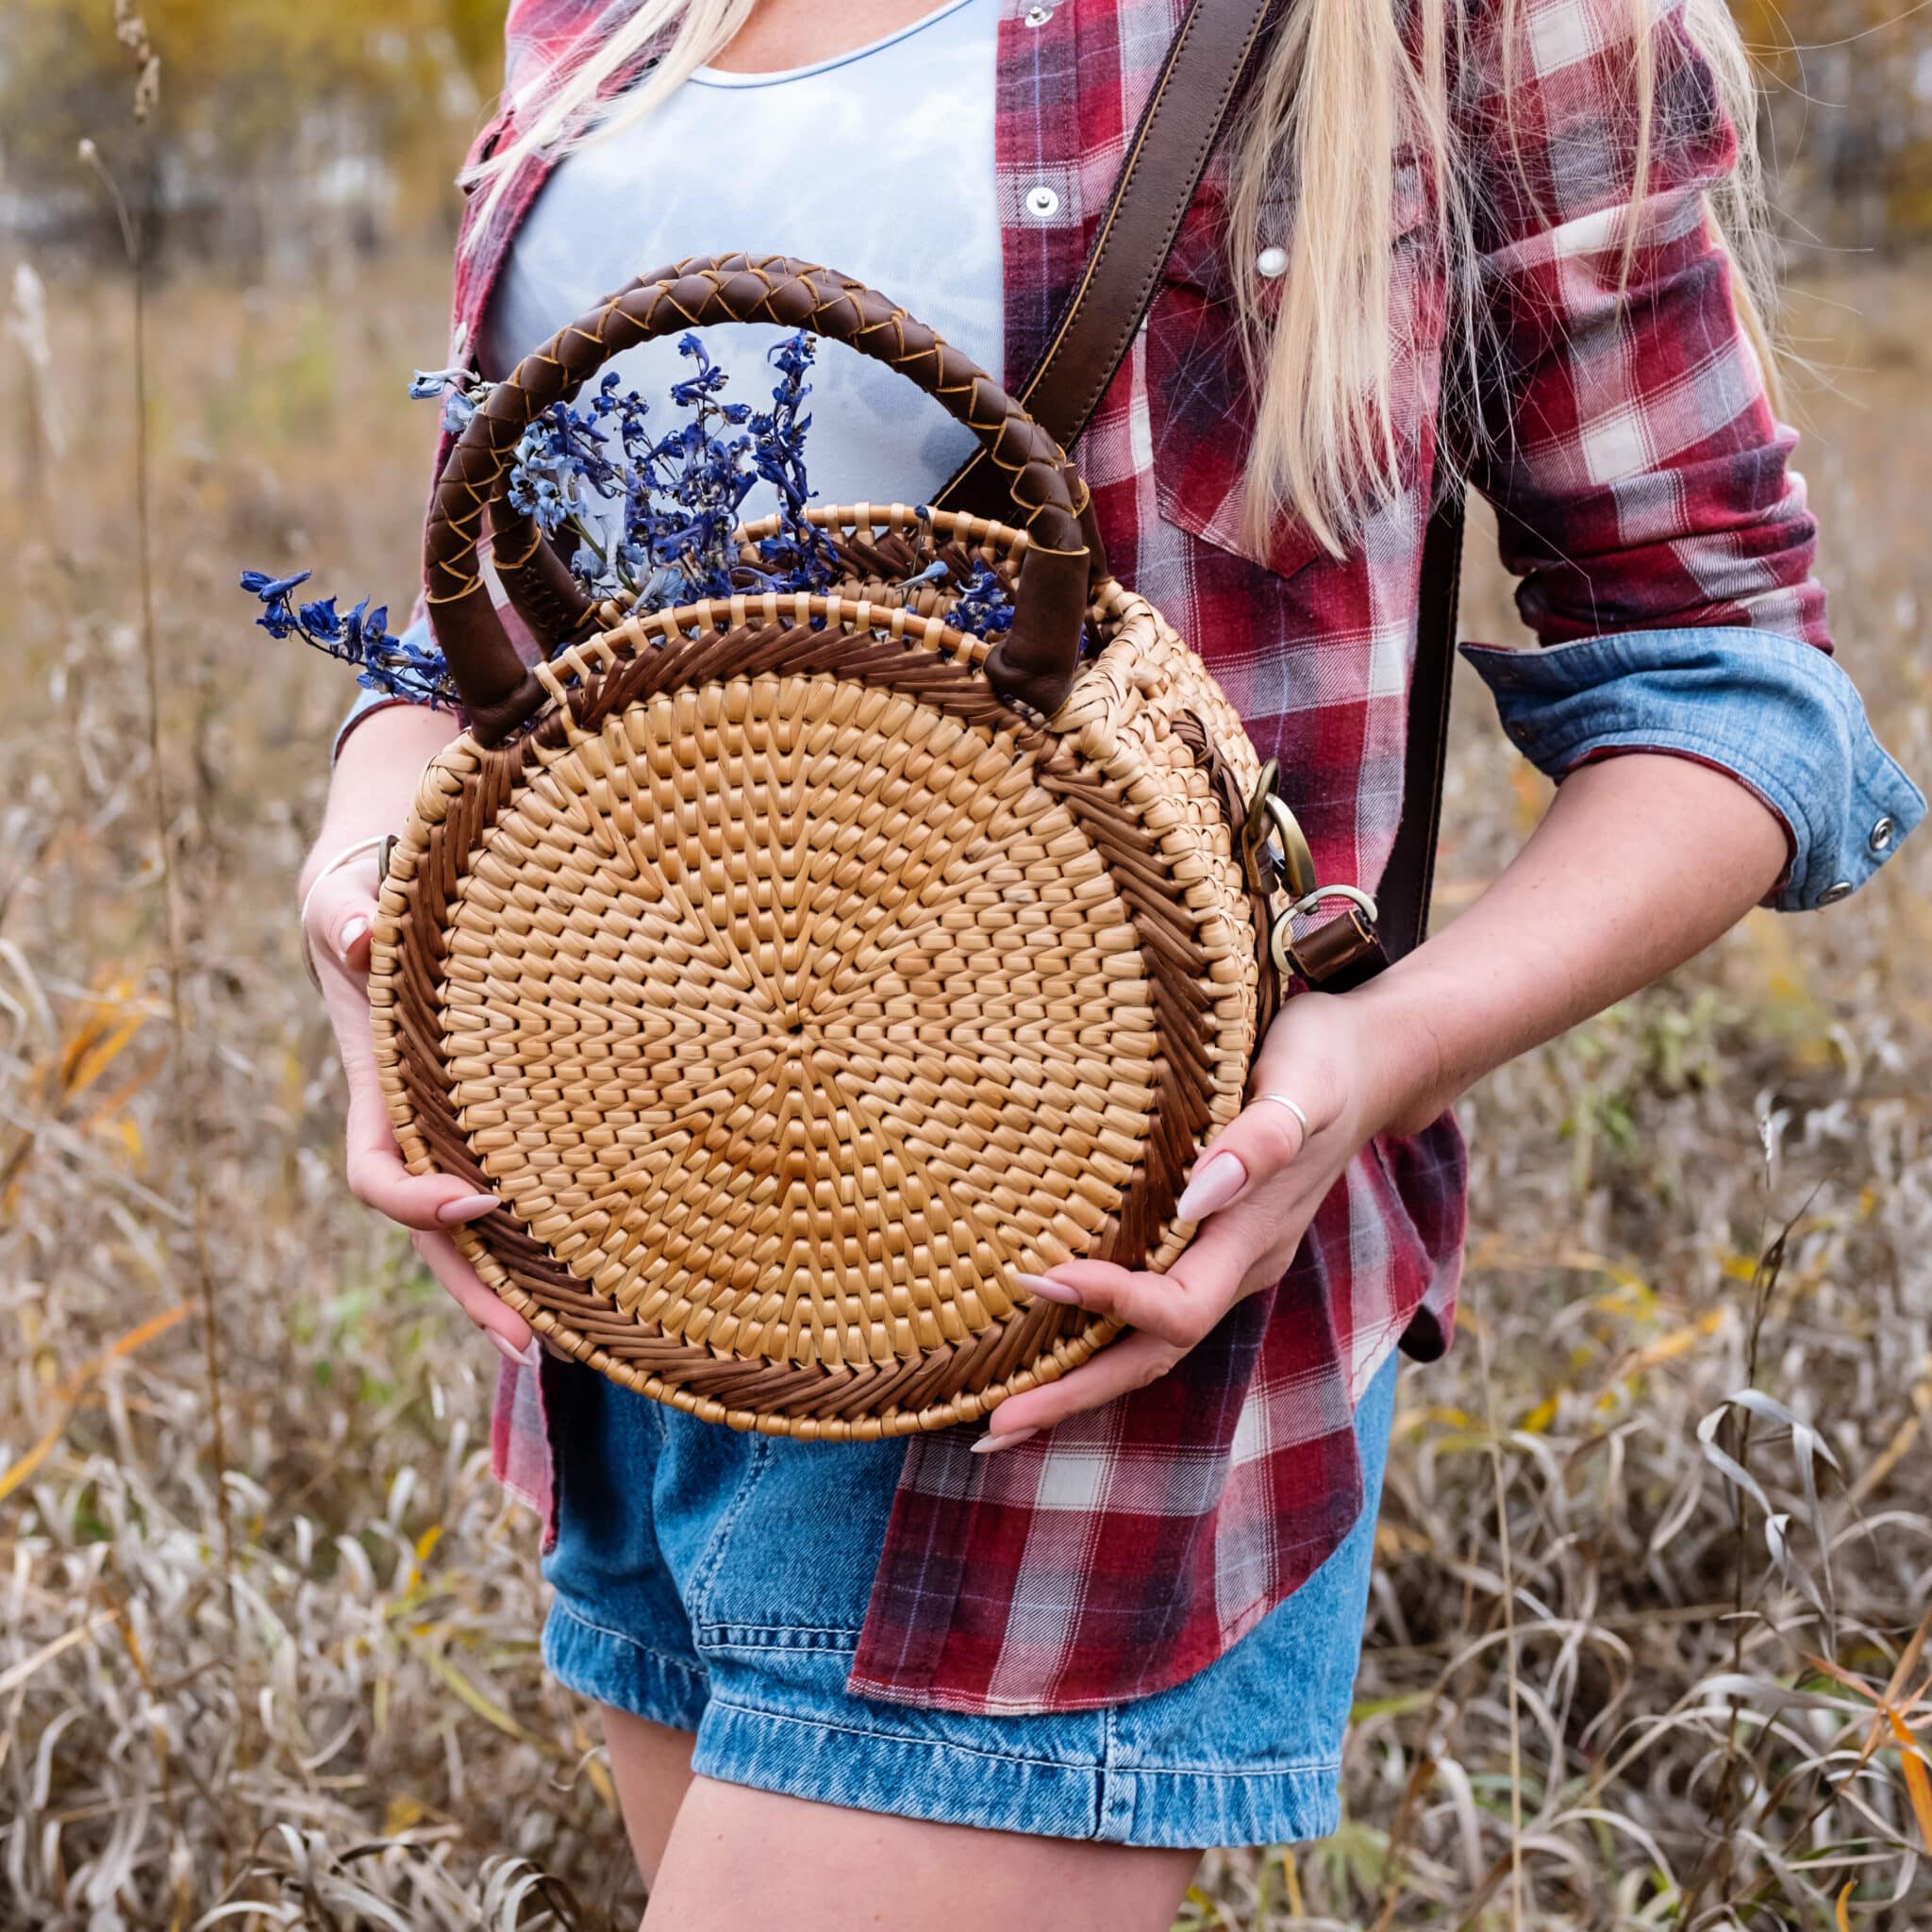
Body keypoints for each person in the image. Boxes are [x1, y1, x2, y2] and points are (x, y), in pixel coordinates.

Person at [298, 1, 1922, 1924]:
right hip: (634, 1260)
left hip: (1085, 1339)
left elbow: (1730, 678)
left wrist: (1379, 1055)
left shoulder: (1461, 24)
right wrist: (370, 838)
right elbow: (495, 601)